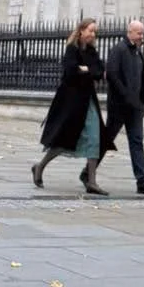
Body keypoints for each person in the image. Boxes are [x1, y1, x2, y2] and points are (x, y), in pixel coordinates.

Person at [33, 18, 113, 196]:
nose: (93, 34)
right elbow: (70, 72)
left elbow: (99, 71)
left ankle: (91, 182)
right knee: (64, 140)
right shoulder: (72, 49)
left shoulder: (91, 51)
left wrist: (85, 69)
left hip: (88, 101)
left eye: (95, 31)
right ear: (81, 30)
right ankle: (40, 166)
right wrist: (86, 70)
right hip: (71, 102)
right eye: (91, 30)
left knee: (95, 138)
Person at [103, 19, 144, 194]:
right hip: (119, 107)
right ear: (129, 32)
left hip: (136, 108)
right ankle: (87, 173)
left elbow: (143, 77)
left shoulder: (137, 52)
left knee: (137, 142)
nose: (142, 37)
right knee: (106, 141)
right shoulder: (119, 49)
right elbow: (112, 74)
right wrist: (126, 95)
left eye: (143, 33)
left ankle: (142, 181)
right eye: (139, 33)